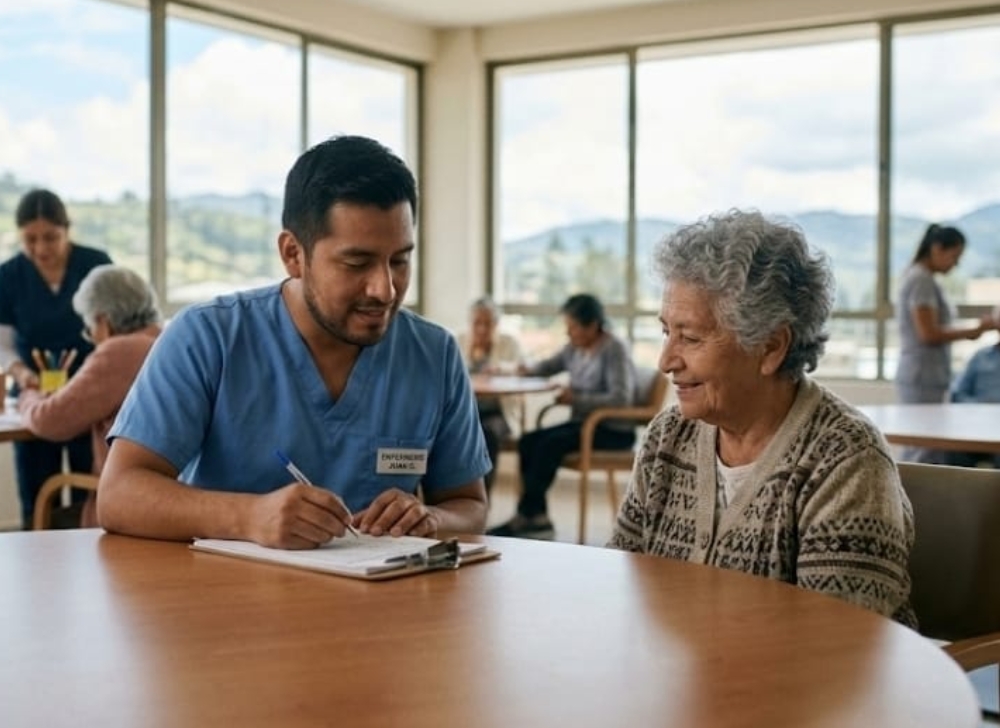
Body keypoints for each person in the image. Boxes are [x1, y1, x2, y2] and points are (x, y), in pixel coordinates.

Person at [98, 135, 489, 548]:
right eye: (357, 263)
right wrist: (249, 517)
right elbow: (119, 494)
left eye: (400, 261)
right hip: (226, 588)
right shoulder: (208, 338)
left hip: (380, 587)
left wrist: (431, 519)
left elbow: (470, 506)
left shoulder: (434, 356)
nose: (385, 289)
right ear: (293, 254)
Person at [608, 209, 916, 626]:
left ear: (771, 347)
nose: (666, 361)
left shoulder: (845, 459)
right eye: (667, 332)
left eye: (691, 338)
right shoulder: (668, 436)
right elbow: (621, 582)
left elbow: (838, 642)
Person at [0, 189, 113, 528]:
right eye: (30, 239)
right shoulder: (9, 276)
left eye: (50, 237)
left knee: (89, 495)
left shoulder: (95, 266)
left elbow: (117, 329)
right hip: (35, 395)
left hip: (90, 397)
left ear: (67, 230)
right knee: (35, 498)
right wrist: (21, 372)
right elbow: (3, 343)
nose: (41, 249)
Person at [17, 265, 162, 527]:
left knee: (34, 525)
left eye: (89, 328)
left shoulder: (120, 352)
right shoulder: (165, 339)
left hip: (124, 507)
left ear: (103, 322)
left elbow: (49, 421)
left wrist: (29, 394)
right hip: (165, 499)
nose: (92, 338)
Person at [488, 293, 636, 540]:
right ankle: (537, 517)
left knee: (549, 445)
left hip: (611, 430)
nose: (568, 333)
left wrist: (576, 399)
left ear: (592, 325)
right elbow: (547, 367)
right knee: (528, 441)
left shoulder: (614, 349)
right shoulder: (574, 348)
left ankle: (527, 516)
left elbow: (621, 398)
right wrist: (519, 369)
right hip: (583, 425)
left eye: (573, 327)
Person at [895, 223, 995, 463]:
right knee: (923, 446)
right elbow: (927, 333)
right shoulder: (921, 280)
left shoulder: (924, 279)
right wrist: (974, 331)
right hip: (921, 376)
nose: (956, 264)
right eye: (954, 257)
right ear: (937, 248)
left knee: (923, 445)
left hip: (929, 375)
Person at [456, 296, 524, 493]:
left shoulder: (508, 343)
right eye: (477, 323)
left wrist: (500, 369)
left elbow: (519, 368)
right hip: (466, 413)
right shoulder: (459, 341)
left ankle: (481, 499)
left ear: (496, 324)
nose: (482, 329)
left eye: (488, 323)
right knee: (448, 434)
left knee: (486, 434)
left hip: (499, 413)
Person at [946, 324, 1000, 468]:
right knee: (953, 452)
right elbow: (958, 393)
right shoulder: (980, 356)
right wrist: (979, 407)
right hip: (977, 425)